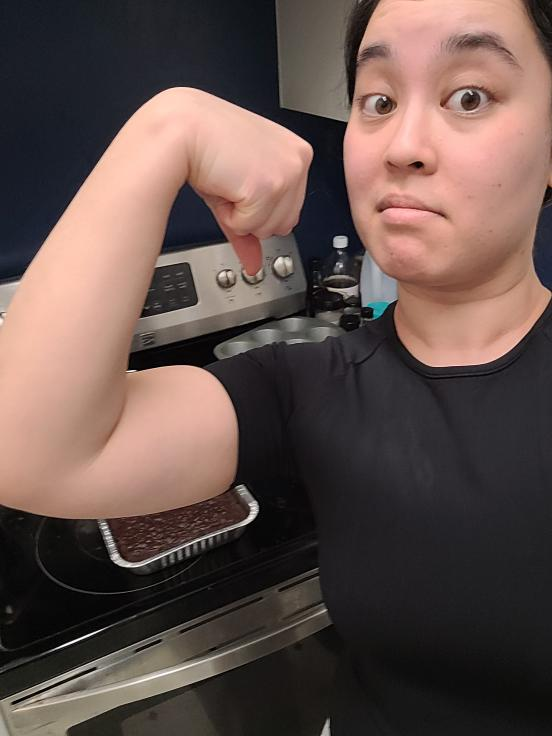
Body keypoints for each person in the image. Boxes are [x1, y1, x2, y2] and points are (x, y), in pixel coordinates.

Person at [1, 0, 552, 732]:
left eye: (469, 96)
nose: (403, 146)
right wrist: (166, 129)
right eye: (379, 101)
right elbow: (30, 450)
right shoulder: (309, 386)